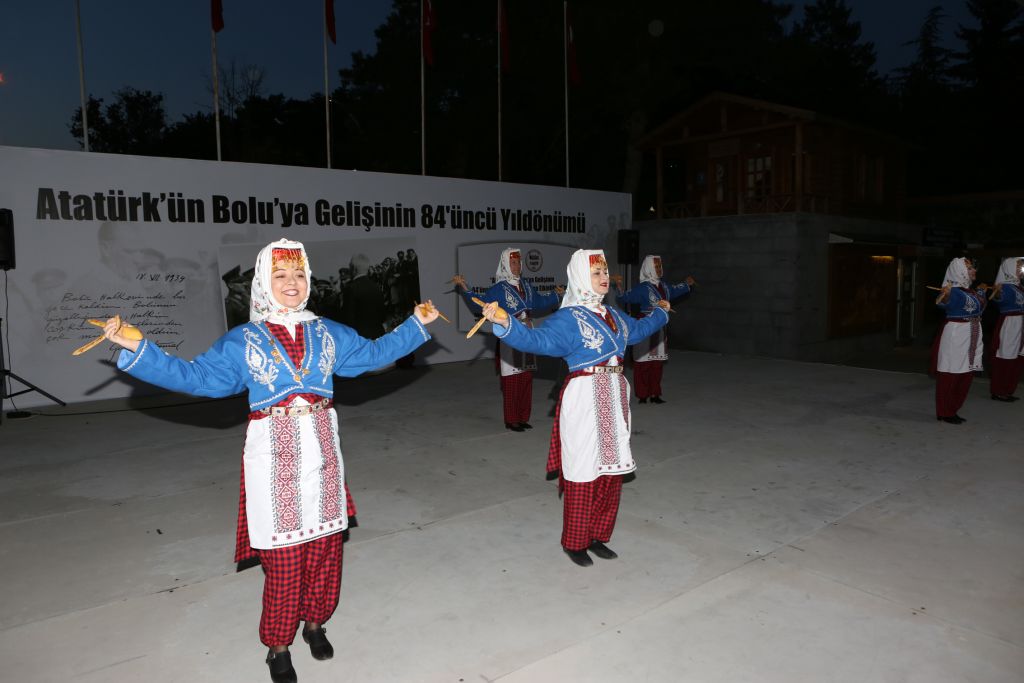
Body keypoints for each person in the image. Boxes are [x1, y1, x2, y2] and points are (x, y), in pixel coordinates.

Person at [103, 239, 439, 683]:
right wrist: (140, 348)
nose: (292, 283)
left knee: (325, 552)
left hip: (322, 454)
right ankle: (278, 645)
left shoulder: (327, 332)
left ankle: (316, 623)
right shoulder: (243, 340)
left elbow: (372, 355)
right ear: (264, 281)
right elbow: (199, 377)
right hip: (273, 457)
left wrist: (415, 325)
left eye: (299, 274)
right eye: (280, 275)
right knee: (283, 562)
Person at [480, 249, 670, 567]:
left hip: (614, 396)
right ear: (581, 277)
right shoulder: (568, 318)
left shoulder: (613, 315)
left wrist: (661, 313)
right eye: (596, 273)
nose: (604, 277)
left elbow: (637, 332)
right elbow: (537, 341)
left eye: (605, 271)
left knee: (611, 470)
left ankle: (598, 535)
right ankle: (575, 541)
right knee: (583, 470)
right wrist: (505, 323)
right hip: (584, 399)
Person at [453, 248, 562, 431]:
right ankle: (511, 419)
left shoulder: (526, 286)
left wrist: (556, 295)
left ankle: (523, 416)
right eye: (513, 262)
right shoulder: (499, 289)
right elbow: (479, 302)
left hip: (528, 332)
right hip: (509, 332)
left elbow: (540, 302)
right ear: (505, 264)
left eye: (519, 262)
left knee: (526, 376)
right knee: (512, 377)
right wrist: (465, 287)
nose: (517, 266)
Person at [612, 255, 695, 403]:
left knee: (657, 363)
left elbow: (675, 290)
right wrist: (618, 287)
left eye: (660, 266)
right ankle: (643, 395)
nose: (659, 269)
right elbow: (625, 297)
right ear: (649, 268)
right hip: (645, 326)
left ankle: (655, 394)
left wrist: (686, 284)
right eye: (656, 266)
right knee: (643, 362)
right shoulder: (642, 288)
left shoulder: (664, 286)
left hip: (660, 328)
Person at [931, 257, 988, 424]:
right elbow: (943, 302)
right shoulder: (952, 291)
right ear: (959, 271)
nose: (974, 270)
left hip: (972, 333)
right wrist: (945, 295)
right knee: (951, 373)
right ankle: (944, 411)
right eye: (969, 268)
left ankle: (952, 409)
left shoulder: (969, 291)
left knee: (965, 373)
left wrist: (982, 293)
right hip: (956, 335)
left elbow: (979, 309)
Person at [988, 257, 1024, 402]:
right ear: (1009, 269)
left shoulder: (1019, 287)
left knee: (1016, 359)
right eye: (1018, 267)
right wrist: (997, 293)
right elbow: (999, 298)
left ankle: (1008, 389)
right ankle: (998, 391)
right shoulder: (1005, 287)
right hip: (1010, 324)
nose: (1021, 271)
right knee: (1005, 358)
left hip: (1020, 324)